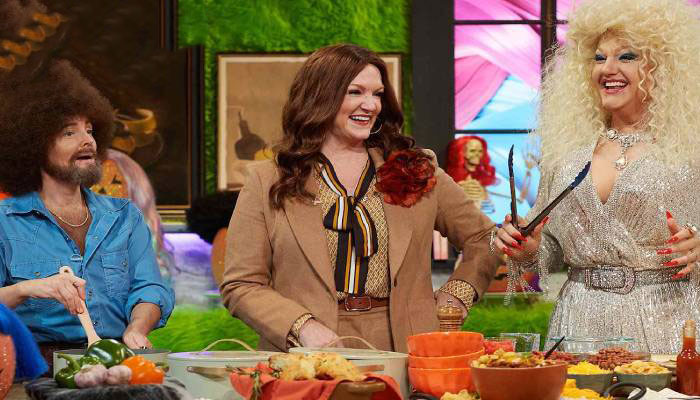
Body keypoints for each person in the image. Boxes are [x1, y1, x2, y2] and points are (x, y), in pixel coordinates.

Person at [221, 43, 505, 353]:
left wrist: (458, 294)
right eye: (355, 92)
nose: (371, 105)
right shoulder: (268, 180)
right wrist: (301, 327)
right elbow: (242, 284)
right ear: (320, 97)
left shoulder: (414, 169)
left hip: (406, 349)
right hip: (306, 354)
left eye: (377, 94)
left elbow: (484, 238)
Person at [494, 0, 700, 353]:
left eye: (627, 56)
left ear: (662, 65)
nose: (608, 69)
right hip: (578, 325)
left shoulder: (691, 149)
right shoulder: (567, 152)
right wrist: (528, 247)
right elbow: (549, 249)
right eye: (599, 57)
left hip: (668, 324)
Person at [0, 60, 174, 362]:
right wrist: (27, 289)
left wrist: (136, 328)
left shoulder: (125, 216)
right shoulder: (5, 220)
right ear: (35, 146)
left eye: (90, 130)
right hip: (34, 367)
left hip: (117, 358)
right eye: (70, 133)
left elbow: (150, 287)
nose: (87, 141)